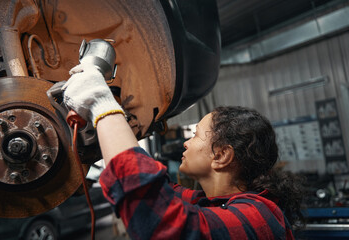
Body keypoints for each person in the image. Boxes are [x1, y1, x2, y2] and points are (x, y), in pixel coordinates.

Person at [62, 63, 304, 239]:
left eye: (195, 135)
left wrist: (101, 104)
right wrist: (110, 127)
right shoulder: (209, 202)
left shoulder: (262, 216)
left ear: (221, 156)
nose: (186, 143)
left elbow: (164, 225)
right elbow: (161, 190)